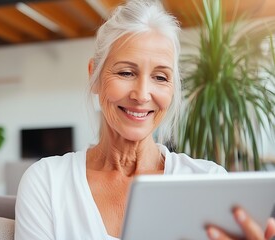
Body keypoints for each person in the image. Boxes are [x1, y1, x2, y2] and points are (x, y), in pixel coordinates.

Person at [14, 1, 275, 239]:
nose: (141, 95)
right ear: (94, 75)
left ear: (172, 88)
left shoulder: (210, 181)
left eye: (160, 77)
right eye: (126, 72)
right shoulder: (46, 182)